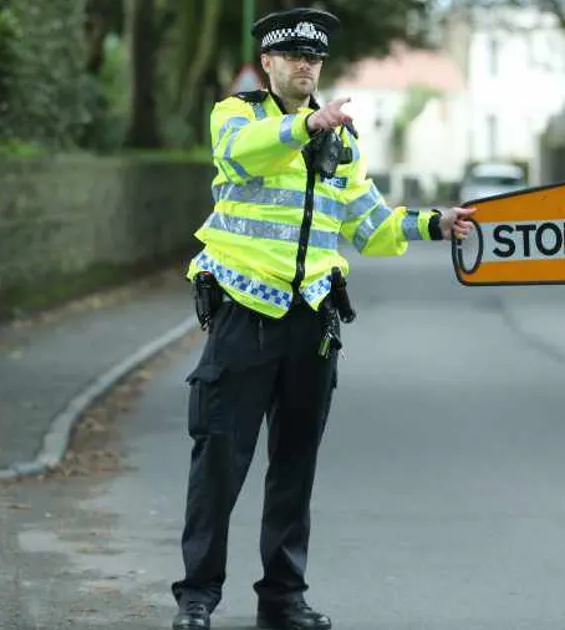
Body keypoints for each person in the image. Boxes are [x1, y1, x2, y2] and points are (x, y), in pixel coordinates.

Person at [170, 7, 473, 630]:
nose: (306, 65)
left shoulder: (345, 140)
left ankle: (282, 599)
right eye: (294, 56)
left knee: (294, 466)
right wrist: (305, 126)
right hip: (244, 312)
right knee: (220, 462)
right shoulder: (240, 115)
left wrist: (432, 224)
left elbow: (371, 225)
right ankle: (197, 597)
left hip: (312, 320)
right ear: (268, 64)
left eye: (315, 58)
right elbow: (241, 157)